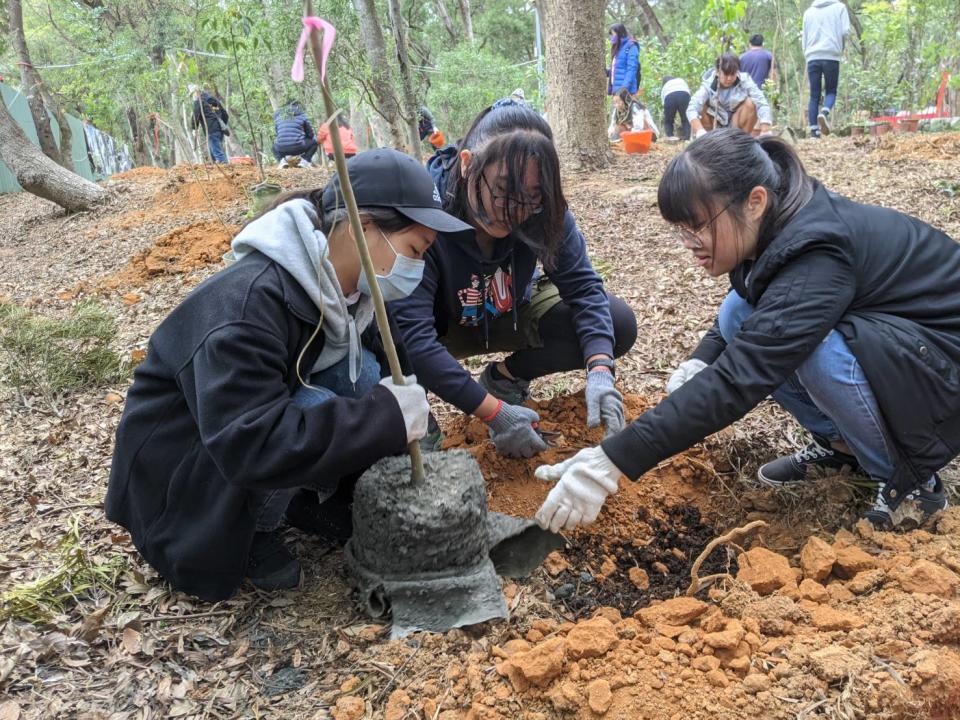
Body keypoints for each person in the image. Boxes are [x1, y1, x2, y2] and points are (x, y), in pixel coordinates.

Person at [534, 128, 958, 535]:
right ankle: (843, 448)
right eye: (680, 229)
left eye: (697, 226)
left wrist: (612, 460)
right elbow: (753, 316)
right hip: (904, 346)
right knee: (743, 310)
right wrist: (704, 356)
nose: (689, 242)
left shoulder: (819, 250)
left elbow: (743, 376)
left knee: (812, 347)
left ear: (754, 201)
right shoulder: (781, 222)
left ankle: (912, 483)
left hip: (943, 368)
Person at [105, 149, 474, 601]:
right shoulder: (246, 306)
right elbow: (252, 440)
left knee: (367, 375)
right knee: (344, 402)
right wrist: (387, 418)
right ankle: (254, 528)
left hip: (248, 438)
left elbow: (396, 377)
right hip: (185, 485)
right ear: (364, 227)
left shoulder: (355, 296)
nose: (416, 267)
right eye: (416, 250)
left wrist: (420, 440)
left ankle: (304, 501)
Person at [390, 103, 638, 460]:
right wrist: (493, 413)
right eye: (504, 189)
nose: (515, 211)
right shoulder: (428, 212)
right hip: (437, 328)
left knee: (617, 323)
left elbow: (584, 288)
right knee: (387, 341)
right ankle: (419, 421)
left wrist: (600, 368)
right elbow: (413, 337)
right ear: (467, 163)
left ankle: (504, 380)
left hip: (505, 309)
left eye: (532, 196)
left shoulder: (541, 211)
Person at [688, 53, 773, 138]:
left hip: (735, 123)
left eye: (732, 74)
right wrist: (699, 130)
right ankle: (708, 141)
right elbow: (691, 108)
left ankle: (742, 140)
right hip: (714, 125)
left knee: (750, 103)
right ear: (717, 72)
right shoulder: (707, 85)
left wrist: (765, 129)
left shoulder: (745, 80)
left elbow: (761, 102)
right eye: (725, 74)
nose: (729, 79)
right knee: (701, 106)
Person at [803, 0, 851, 137]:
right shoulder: (840, 8)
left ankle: (814, 132)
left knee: (814, 95)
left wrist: (808, 55)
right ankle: (824, 112)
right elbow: (846, 31)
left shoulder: (808, 12)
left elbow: (804, 38)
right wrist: (840, 47)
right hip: (831, 55)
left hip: (812, 56)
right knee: (831, 90)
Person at [189, 84, 229, 164]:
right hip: (220, 129)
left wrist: (194, 128)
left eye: (192, 94)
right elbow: (225, 114)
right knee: (213, 153)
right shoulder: (213, 100)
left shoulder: (198, 101)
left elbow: (196, 115)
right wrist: (221, 124)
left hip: (211, 130)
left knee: (217, 154)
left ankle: (225, 168)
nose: (192, 97)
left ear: (196, 92)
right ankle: (216, 170)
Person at [272, 99, 317, 167]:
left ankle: (282, 162)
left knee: (274, 147)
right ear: (297, 106)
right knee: (314, 143)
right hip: (299, 147)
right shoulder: (302, 115)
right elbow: (310, 134)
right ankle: (304, 161)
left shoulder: (278, 116)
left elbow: (277, 133)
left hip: (281, 148)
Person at [607, 24, 640, 97]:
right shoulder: (617, 48)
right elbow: (619, 69)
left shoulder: (631, 46)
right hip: (616, 91)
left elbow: (632, 69)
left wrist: (624, 88)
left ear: (620, 33)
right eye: (610, 35)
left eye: (613, 34)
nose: (611, 37)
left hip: (626, 92)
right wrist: (607, 71)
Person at [660, 76, 692, 141]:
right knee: (686, 118)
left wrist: (669, 114)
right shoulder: (681, 80)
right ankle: (687, 138)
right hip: (684, 94)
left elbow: (664, 104)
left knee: (668, 121)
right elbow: (688, 93)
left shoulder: (665, 86)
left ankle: (670, 137)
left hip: (669, 96)